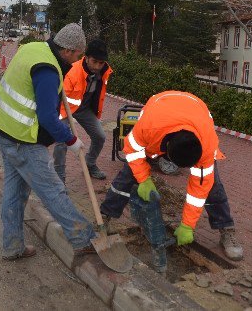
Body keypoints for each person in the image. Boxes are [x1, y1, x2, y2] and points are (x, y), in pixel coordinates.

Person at [0, 23, 97, 260]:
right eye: (78, 54)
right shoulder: (48, 70)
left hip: (2, 127)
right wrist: (70, 140)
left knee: (15, 192)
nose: (79, 60)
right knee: (52, 189)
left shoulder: (34, 48)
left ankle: (13, 246)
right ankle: (82, 238)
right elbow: (47, 117)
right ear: (67, 50)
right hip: (21, 138)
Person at [99, 90, 244, 271]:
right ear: (166, 150)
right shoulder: (148, 128)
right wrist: (143, 179)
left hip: (195, 112)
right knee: (128, 175)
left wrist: (187, 225)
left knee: (213, 186)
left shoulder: (207, 146)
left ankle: (226, 229)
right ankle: (105, 216)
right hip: (160, 109)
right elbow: (132, 151)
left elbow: (198, 191)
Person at [53, 39, 112, 182]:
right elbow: (61, 98)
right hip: (66, 108)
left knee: (100, 136)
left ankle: (89, 163)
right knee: (62, 140)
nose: (98, 66)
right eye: (95, 61)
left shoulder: (104, 71)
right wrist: (63, 124)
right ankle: (59, 177)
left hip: (84, 109)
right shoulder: (73, 71)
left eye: (101, 62)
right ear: (86, 57)